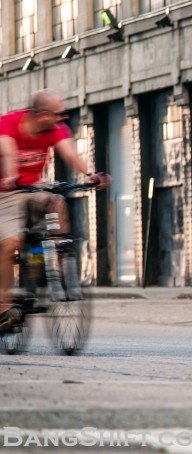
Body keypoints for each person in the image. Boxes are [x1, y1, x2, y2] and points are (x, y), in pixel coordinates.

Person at [0, 89, 110, 331]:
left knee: (56, 202)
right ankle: (4, 306)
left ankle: (61, 263)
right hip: (5, 192)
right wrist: (10, 177)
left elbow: (69, 152)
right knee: (11, 243)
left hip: (32, 189)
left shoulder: (55, 129)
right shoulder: (8, 123)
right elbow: (7, 150)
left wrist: (90, 175)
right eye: (58, 114)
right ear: (40, 114)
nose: (62, 119)